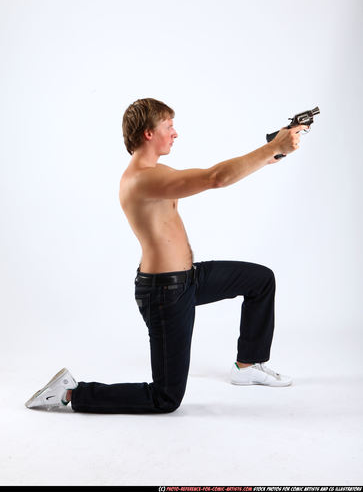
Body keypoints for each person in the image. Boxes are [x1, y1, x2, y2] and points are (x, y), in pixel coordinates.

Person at [25, 98, 309, 413]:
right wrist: (269, 150)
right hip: (164, 293)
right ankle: (70, 395)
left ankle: (247, 366)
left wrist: (272, 151)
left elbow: (220, 173)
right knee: (165, 398)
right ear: (148, 133)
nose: (175, 134)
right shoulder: (142, 179)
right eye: (168, 127)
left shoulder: (157, 172)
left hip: (188, 279)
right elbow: (216, 178)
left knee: (259, 280)